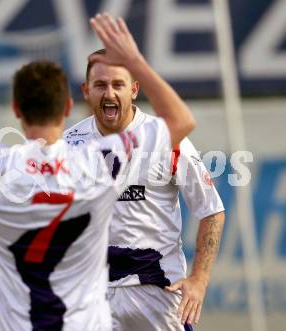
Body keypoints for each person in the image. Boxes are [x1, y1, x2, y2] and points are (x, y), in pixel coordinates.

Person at [0, 15, 195, 331]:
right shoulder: (99, 163)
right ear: (67, 108)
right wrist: (134, 61)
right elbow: (181, 121)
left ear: (16, 108)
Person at [64, 16, 225, 331]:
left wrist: (199, 280)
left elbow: (212, 211)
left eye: (118, 84)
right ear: (86, 91)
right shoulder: (69, 144)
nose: (109, 93)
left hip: (157, 289)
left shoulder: (166, 136)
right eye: (100, 85)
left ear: (134, 89)